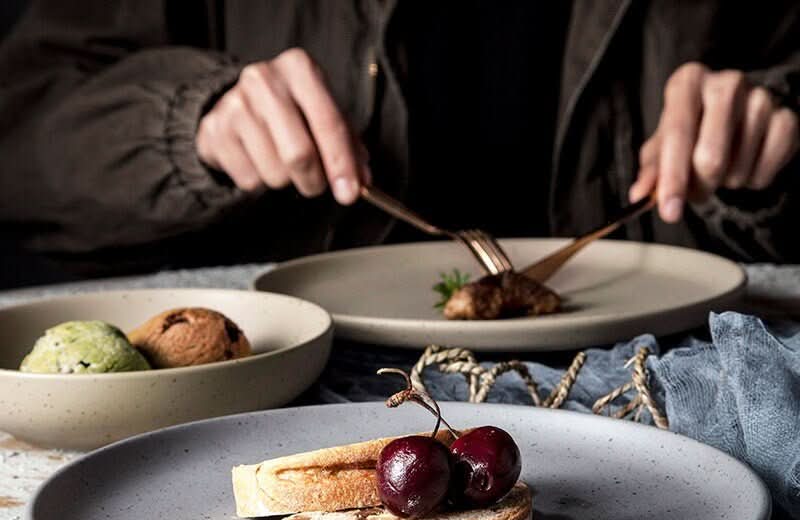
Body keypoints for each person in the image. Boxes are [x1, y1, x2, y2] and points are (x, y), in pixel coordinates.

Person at [0, 1, 797, 285]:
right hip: (286, 398)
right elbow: (20, 150)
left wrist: (778, 132)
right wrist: (189, 129)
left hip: (659, 380)